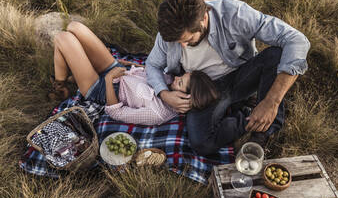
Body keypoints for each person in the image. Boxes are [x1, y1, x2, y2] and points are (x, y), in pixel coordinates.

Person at [145, 0, 311, 155]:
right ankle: (248, 113)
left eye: (188, 40)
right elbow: (152, 64)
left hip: (241, 76)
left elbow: (297, 40)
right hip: (201, 88)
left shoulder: (235, 14)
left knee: (276, 55)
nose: (182, 46)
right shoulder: (170, 32)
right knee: (201, 143)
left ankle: (262, 132)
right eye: (178, 41)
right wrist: (164, 94)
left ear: (203, 18)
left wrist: (271, 102)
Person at [48, 21, 219, 125]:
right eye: (183, 76)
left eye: (180, 82)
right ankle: (65, 80)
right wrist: (128, 64)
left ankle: (60, 86)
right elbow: (148, 71)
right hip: (118, 70)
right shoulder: (170, 82)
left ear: (184, 99)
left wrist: (108, 80)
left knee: (63, 38)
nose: (177, 77)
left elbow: (116, 112)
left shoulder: (156, 113)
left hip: (101, 89)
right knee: (74, 27)